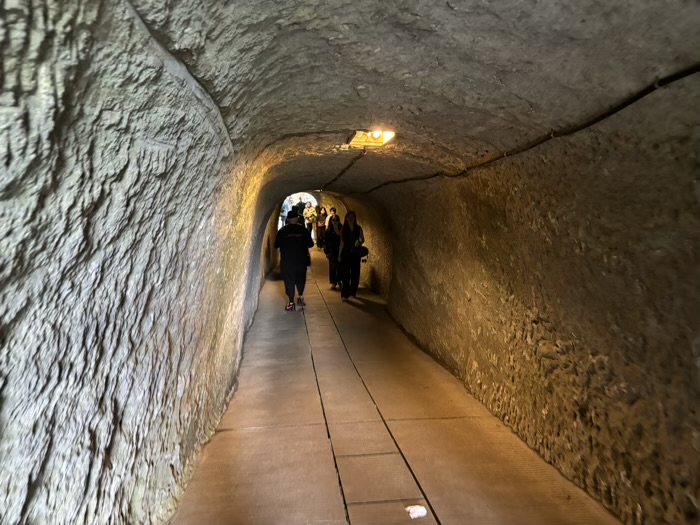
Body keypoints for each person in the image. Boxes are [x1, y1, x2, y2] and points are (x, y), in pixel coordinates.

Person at [275, 209, 314, 310]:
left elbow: (276, 245)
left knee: (289, 281)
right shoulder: (303, 230)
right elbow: (311, 244)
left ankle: (291, 303)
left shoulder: (282, 231)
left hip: (287, 261)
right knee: (301, 279)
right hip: (301, 261)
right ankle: (300, 297)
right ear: (297, 219)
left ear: (287, 219)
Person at [338, 211, 365, 301]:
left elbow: (362, 238)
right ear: (346, 218)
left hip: (355, 254)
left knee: (355, 274)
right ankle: (345, 294)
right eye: (349, 217)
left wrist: (359, 241)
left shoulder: (358, 228)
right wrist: (339, 255)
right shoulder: (343, 229)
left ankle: (353, 291)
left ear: (355, 218)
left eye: (352, 217)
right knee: (345, 274)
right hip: (346, 253)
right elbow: (342, 242)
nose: (350, 218)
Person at [323, 214, 342, 289]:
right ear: (331, 221)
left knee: (340, 266)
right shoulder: (329, 230)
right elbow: (326, 241)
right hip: (331, 250)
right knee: (333, 266)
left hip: (340, 249)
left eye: (337, 220)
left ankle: (340, 280)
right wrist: (326, 251)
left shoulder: (341, 229)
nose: (335, 222)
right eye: (333, 220)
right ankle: (333, 282)